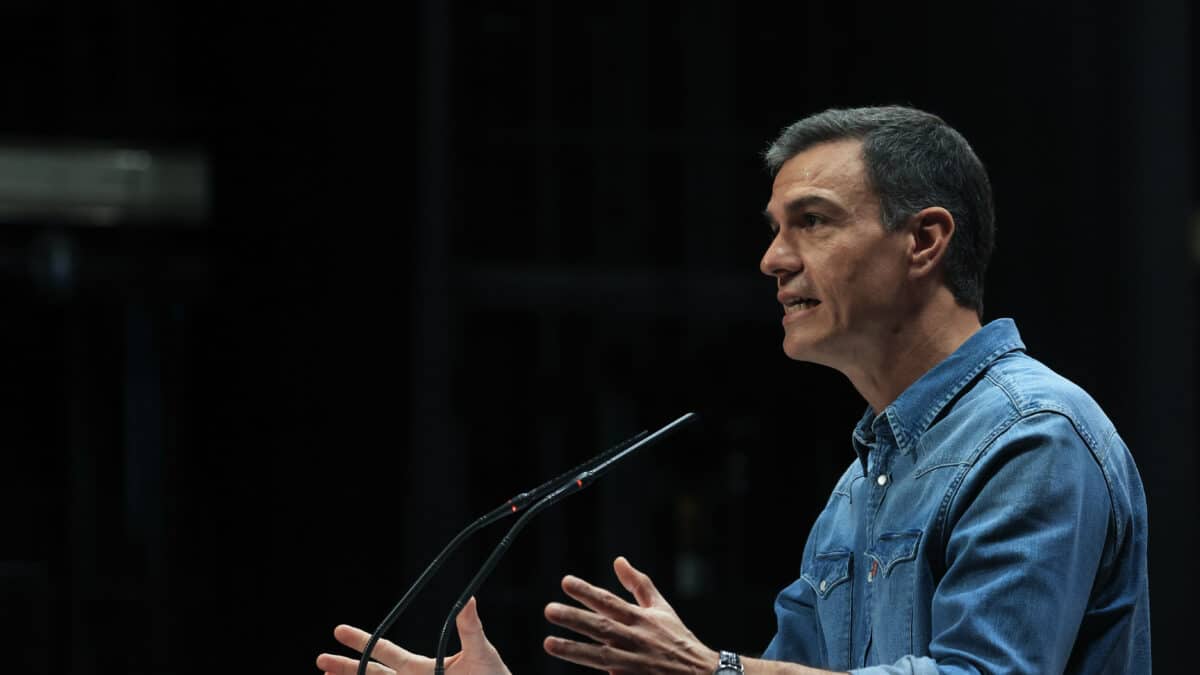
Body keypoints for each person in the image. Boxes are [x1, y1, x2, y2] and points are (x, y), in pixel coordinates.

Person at [315, 106, 1151, 674]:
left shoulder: (1034, 436)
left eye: (812, 222)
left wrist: (708, 665)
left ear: (926, 239)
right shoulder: (861, 487)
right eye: (774, 230)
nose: (773, 259)